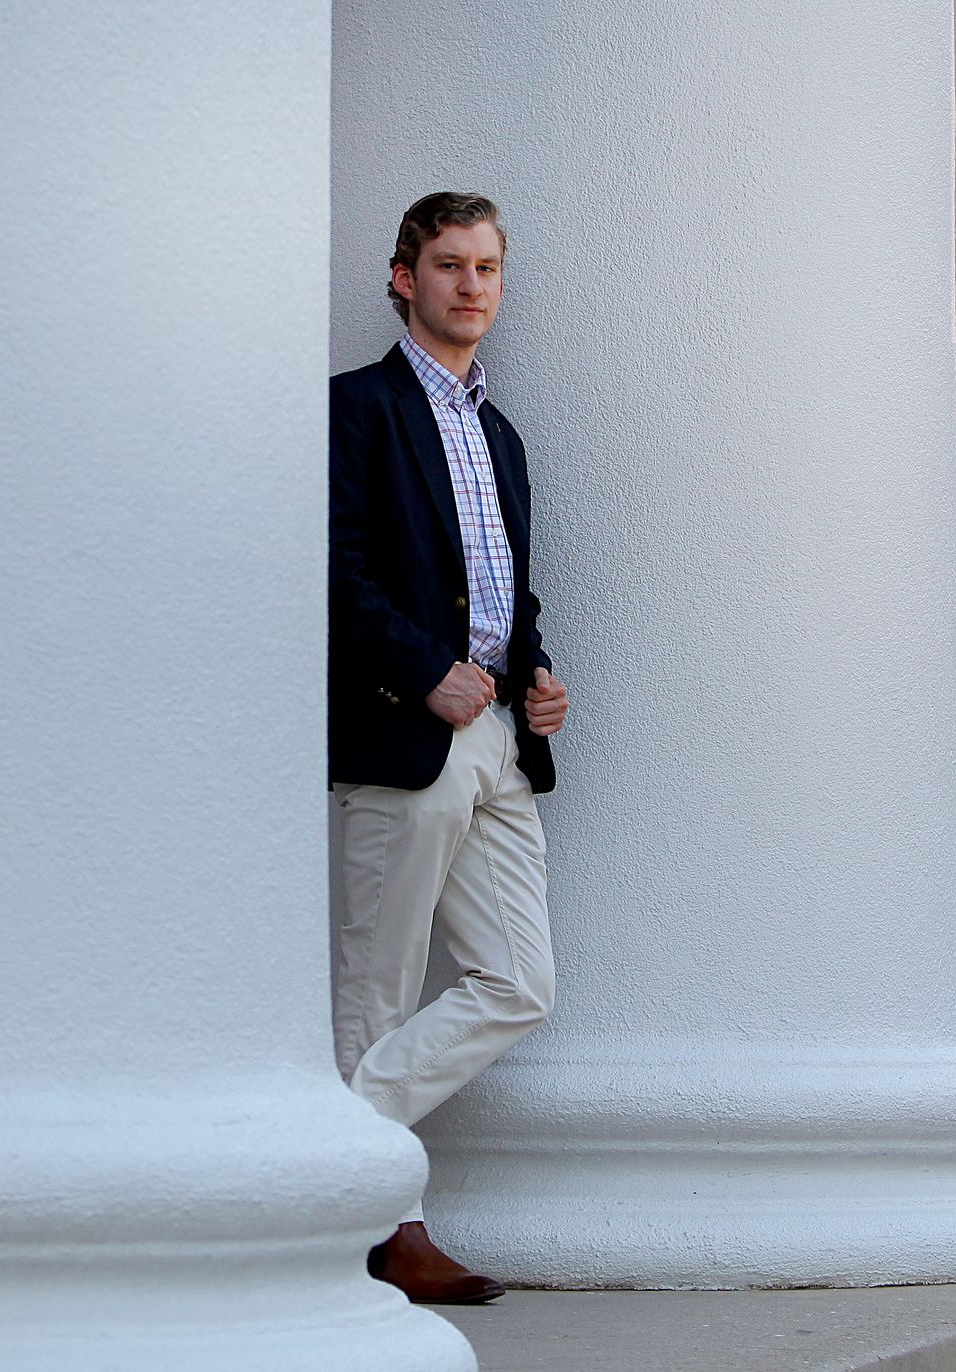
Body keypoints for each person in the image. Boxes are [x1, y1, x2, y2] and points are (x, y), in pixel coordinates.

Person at [328, 192, 568, 1305]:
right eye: (447, 265)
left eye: (486, 269)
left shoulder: (501, 432)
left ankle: (327, 1140)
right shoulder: (358, 411)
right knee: (376, 990)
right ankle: (390, 1229)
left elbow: (504, 591)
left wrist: (536, 674)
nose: (470, 285)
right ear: (402, 277)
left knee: (520, 981)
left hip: (498, 744)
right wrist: (423, 667)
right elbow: (337, 570)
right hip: (401, 727)